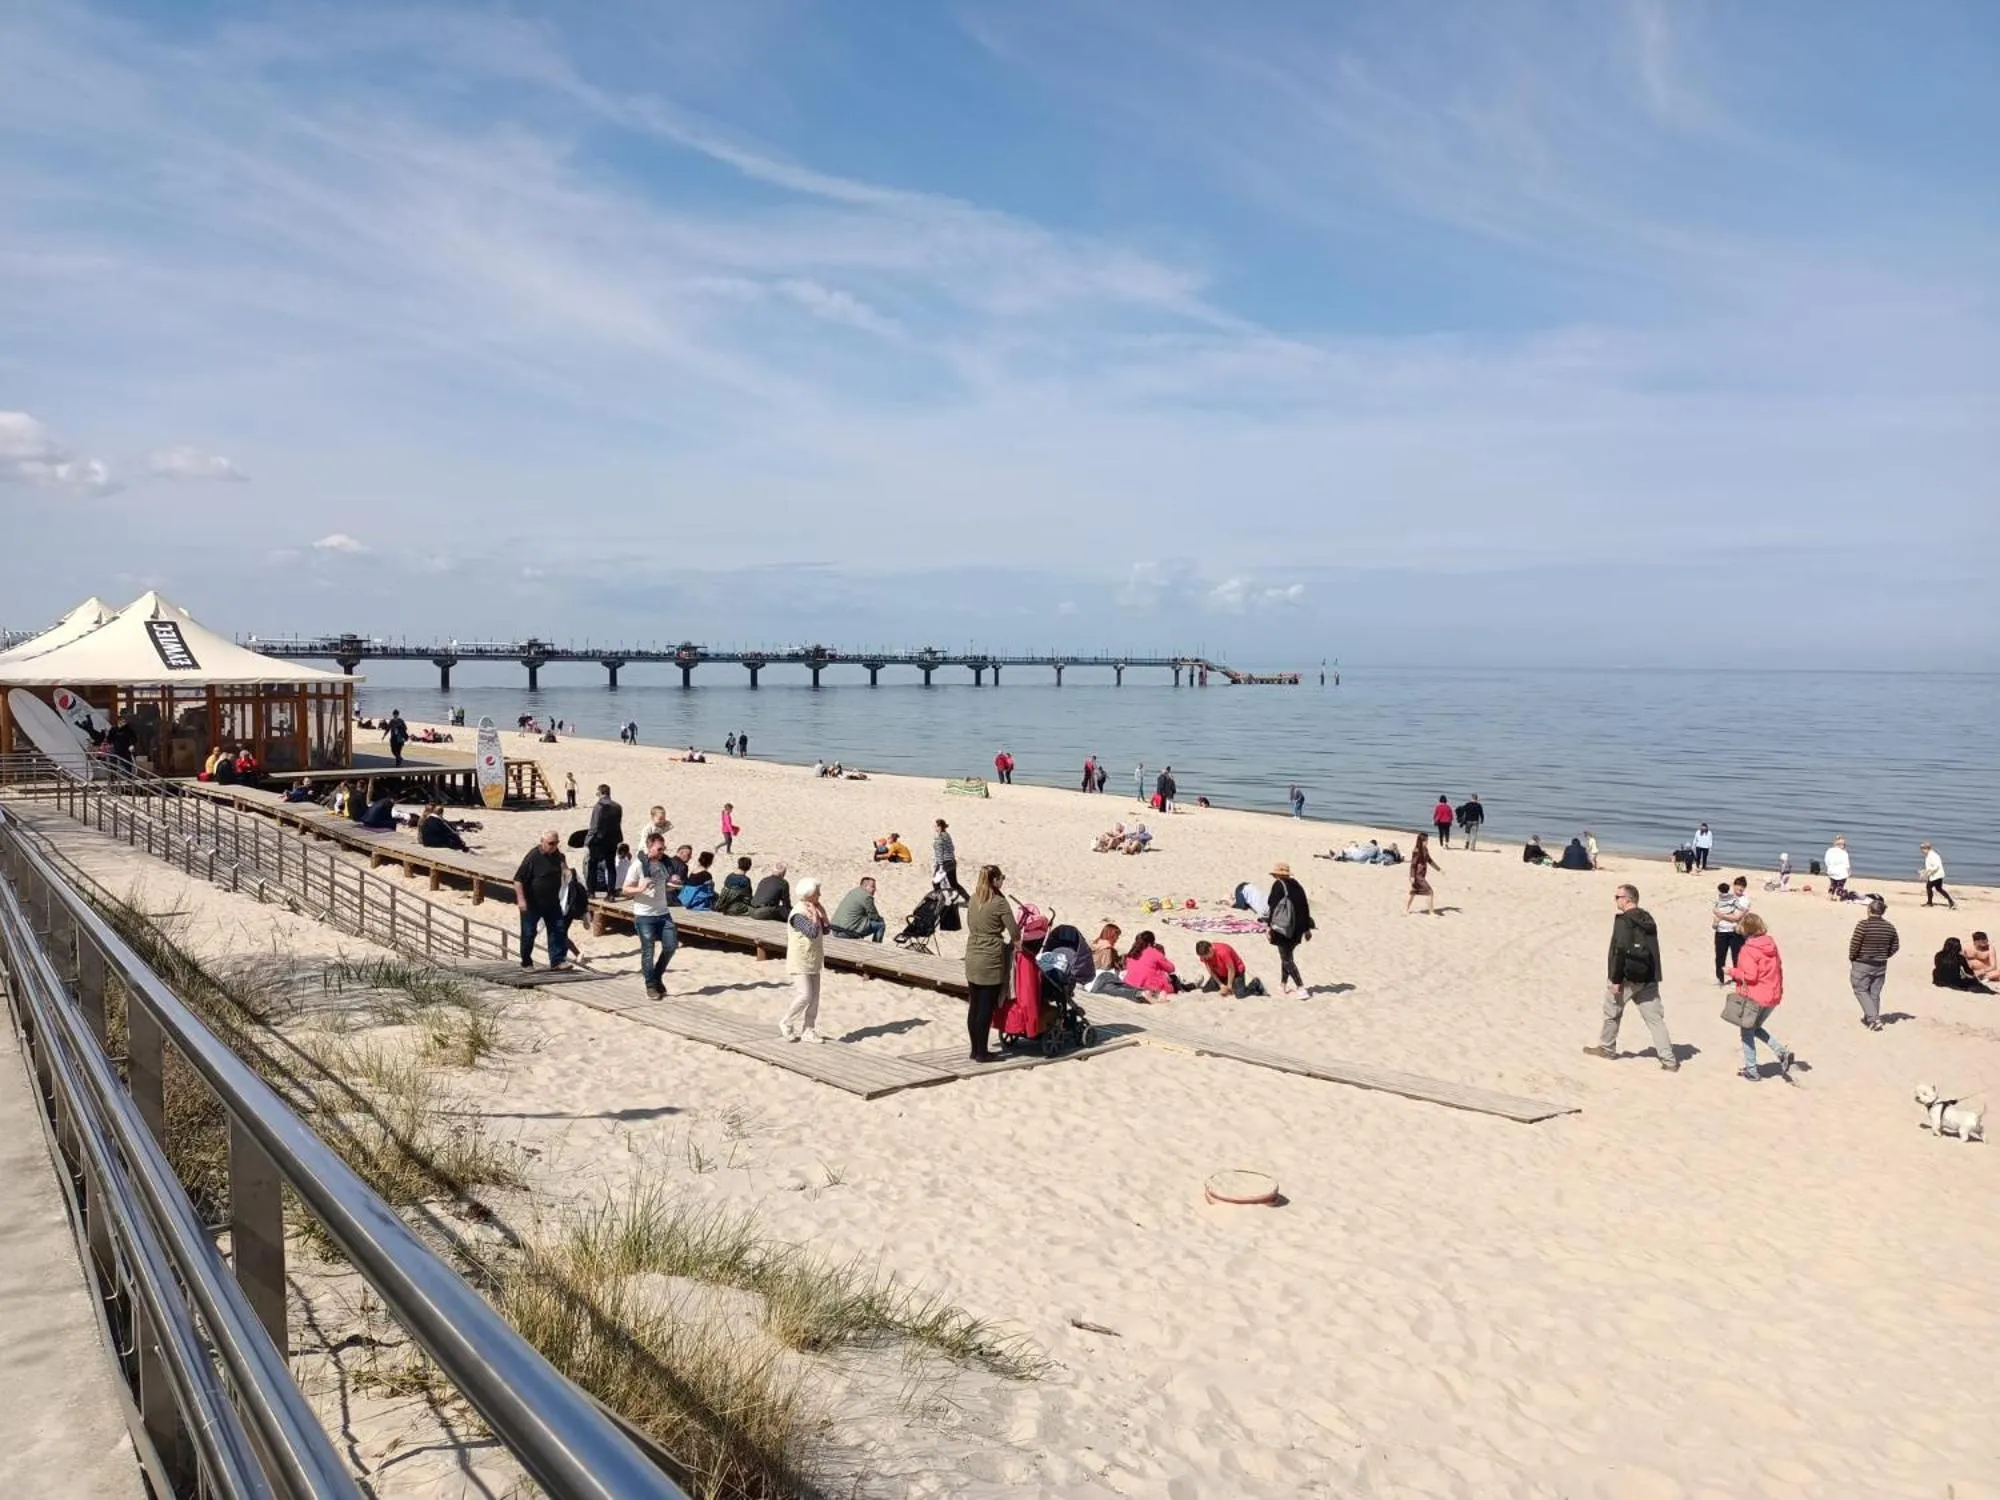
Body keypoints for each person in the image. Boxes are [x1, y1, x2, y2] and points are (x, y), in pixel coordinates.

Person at [1586, 884, 1678, 1071]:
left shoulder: (1625, 920)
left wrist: (1616, 980)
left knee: (1612, 1013)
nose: (1616, 899)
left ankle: (1607, 1048)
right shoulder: (1647, 918)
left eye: (1618, 896)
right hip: (1648, 976)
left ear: (1628, 899)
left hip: (1627, 976)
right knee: (1655, 1020)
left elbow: (1620, 950)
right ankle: (1669, 1060)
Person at [1727, 913, 1795, 1082]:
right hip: (1772, 994)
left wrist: (1731, 971)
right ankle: (1781, 1052)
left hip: (1755, 996)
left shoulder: (1748, 949)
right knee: (1755, 1027)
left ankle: (1752, 1069)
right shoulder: (1771, 944)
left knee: (1747, 1031)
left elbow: (1750, 976)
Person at [963, 866, 1019, 1062]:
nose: (1003, 881)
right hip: (990, 956)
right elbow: (1014, 930)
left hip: (972, 952)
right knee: (986, 1007)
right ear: (995, 880)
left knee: (975, 1005)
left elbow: (970, 923)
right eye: (1001, 878)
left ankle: (974, 1049)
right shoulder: (999, 903)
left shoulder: (973, 898)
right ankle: (982, 1053)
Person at [622, 833, 679, 999]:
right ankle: (651, 986)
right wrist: (640, 889)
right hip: (644, 915)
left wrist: (671, 886)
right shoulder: (638, 866)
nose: (662, 851)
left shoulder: (662, 864)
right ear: (649, 847)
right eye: (659, 848)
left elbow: (660, 886)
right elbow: (625, 889)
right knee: (648, 951)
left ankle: (656, 975)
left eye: (664, 848)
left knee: (671, 946)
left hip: (663, 913)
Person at [778, 878, 830, 1043]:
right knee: (805, 995)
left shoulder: (813, 908)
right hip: (800, 959)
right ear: (809, 895)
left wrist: (823, 915)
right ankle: (786, 1022)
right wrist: (815, 916)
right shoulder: (798, 914)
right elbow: (812, 932)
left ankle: (809, 1029)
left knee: (815, 998)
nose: (820, 895)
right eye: (817, 893)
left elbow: (826, 930)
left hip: (813, 958)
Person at [513, 829, 572, 970]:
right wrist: (521, 900)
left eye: (556, 843)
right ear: (542, 842)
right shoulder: (533, 857)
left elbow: (562, 862)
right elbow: (517, 880)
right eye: (551, 843)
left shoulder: (557, 854)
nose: (554, 846)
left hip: (552, 901)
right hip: (533, 902)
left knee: (557, 929)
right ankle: (526, 962)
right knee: (529, 932)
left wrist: (566, 869)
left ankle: (557, 961)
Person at [1847, 895, 1898, 1031]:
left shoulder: (1863, 925)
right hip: (1880, 964)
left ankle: (1874, 1018)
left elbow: (1855, 943)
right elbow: (1895, 946)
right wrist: (1885, 955)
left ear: (1869, 910)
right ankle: (1870, 1017)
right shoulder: (1889, 927)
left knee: (1860, 989)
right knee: (1874, 992)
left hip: (1864, 961)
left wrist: (1852, 957)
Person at [1267, 861, 1314, 996]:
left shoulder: (1278, 885)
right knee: (1286, 955)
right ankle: (1283, 985)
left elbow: (1273, 907)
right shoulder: (1297, 885)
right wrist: (1306, 929)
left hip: (1283, 927)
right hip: (1298, 928)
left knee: (1287, 959)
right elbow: (1305, 907)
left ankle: (1301, 987)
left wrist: (1269, 927)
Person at [1712, 876, 1751, 985]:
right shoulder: (1725, 897)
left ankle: (1737, 979)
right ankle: (1720, 978)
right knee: (1720, 956)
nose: (1740, 888)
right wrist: (1717, 917)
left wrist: (1720, 915)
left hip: (1736, 932)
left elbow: (1737, 917)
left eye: (1743, 886)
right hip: (1721, 930)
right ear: (1733, 885)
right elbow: (1715, 908)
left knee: (1737, 957)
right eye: (1738, 885)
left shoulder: (1744, 900)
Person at [1195, 939, 1267, 997]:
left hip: (1236, 972)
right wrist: (1221, 985)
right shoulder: (1204, 955)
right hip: (1220, 973)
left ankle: (1255, 983)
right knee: (1206, 990)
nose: (1206, 958)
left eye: (1207, 956)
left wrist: (1229, 987)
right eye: (1204, 957)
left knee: (1240, 994)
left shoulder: (1223, 952)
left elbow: (1231, 969)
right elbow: (1210, 970)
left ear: (1211, 949)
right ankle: (1226, 983)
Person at [585, 784, 623, 894]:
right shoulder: (617, 806)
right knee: (610, 866)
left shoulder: (599, 806)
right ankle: (611, 893)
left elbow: (594, 825)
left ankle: (591, 892)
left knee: (593, 865)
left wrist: (588, 840)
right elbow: (618, 823)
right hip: (613, 839)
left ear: (600, 792)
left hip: (599, 839)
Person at [1122, 931, 1181, 996]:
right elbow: (1171, 968)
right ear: (1151, 942)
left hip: (1129, 983)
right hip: (1148, 986)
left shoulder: (1133, 951)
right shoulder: (1153, 952)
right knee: (1174, 979)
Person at [830, 877, 887, 943]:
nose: (875, 889)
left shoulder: (853, 891)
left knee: (862, 920)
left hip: (834, 928)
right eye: (873, 887)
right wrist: (880, 919)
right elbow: (873, 916)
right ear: (866, 886)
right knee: (881, 925)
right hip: (847, 931)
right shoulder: (866, 897)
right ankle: (877, 946)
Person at [1405, 831, 1441, 915]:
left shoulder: (1425, 849)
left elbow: (1429, 860)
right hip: (1417, 876)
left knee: (1413, 892)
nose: (1427, 842)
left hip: (1422, 874)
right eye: (1426, 840)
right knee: (1430, 891)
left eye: (1427, 840)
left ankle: (1405, 909)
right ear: (1421, 841)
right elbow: (1413, 864)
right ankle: (1431, 912)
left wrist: (1439, 869)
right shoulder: (1416, 851)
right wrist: (1412, 876)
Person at [932, 819, 968, 900]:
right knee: (954, 883)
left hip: (944, 863)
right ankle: (968, 899)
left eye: (935, 826)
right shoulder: (947, 835)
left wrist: (940, 865)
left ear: (939, 827)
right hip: (952, 861)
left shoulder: (939, 838)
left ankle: (940, 900)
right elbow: (952, 848)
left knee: (935, 882)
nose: (934, 827)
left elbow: (939, 853)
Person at [1921, 842, 1955, 909]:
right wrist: (1925, 871)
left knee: (1929, 887)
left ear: (1926, 848)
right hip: (1937, 874)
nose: (1921, 851)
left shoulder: (1933, 856)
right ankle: (1951, 901)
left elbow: (1936, 866)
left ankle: (1929, 903)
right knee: (1939, 889)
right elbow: (1930, 866)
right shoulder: (1930, 855)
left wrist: (1926, 872)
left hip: (1936, 875)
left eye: (1922, 849)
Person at [1823, 835, 1851, 901]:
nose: (1845, 846)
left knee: (1833, 884)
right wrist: (1849, 871)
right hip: (1841, 872)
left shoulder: (1829, 851)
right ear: (1841, 845)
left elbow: (1826, 861)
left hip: (1831, 871)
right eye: (1844, 845)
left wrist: (1829, 868)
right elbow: (1847, 864)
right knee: (1840, 885)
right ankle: (1838, 896)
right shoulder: (1844, 853)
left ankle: (1830, 895)